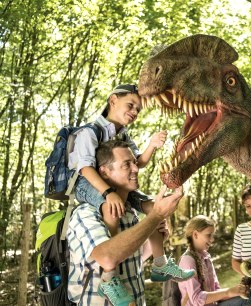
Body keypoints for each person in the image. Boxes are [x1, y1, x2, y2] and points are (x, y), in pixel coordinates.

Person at [68, 84, 193, 304]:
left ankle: (160, 263)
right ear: (113, 100)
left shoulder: (123, 135)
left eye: (138, 109)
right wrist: (108, 192)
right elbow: (86, 168)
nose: (135, 112)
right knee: (111, 206)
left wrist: (152, 145)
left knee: (154, 206)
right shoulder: (89, 132)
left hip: (109, 184)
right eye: (130, 105)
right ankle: (110, 278)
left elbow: (141, 162)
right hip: (88, 183)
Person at [178, 215, 246, 306]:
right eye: (208, 235)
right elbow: (196, 299)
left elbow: (215, 291)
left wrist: (236, 291)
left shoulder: (206, 258)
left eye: (212, 235)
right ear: (195, 234)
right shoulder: (188, 261)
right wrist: (228, 292)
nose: (212, 239)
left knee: (249, 297)